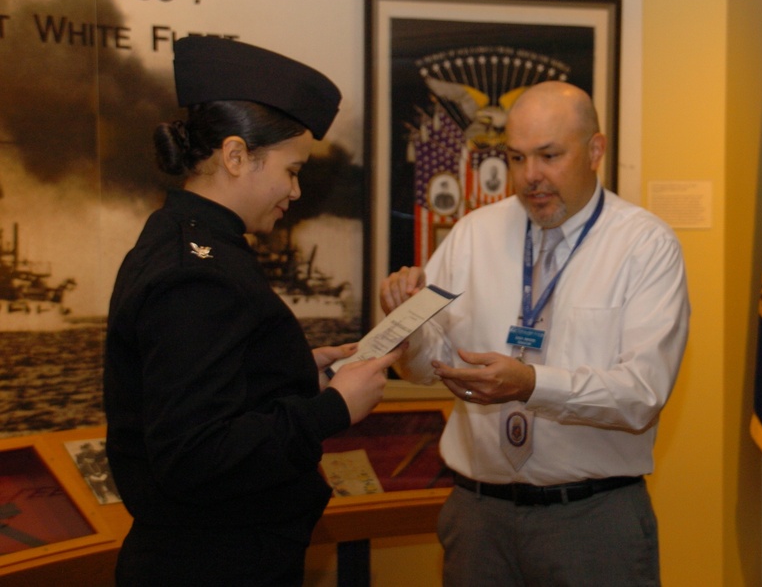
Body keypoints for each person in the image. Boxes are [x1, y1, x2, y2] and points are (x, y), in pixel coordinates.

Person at [103, 36, 401, 586]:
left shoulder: (185, 239)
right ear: (237, 156)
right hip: (213, 563)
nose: (294, 191)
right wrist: (333, 408)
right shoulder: (197, 271)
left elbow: (204, 392)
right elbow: (196, 454)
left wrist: (292, 374)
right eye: (291, 170)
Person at [380, 81, 690, 586]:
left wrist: (531, 384)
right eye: (517, 157)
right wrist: (406, 332)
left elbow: (642, 393)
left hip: (592, 522)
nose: (530, 178)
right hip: (478, 517)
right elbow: (422, 366)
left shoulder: (645, 246)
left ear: (595, 150)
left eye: (549, 156)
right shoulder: (474, 234)